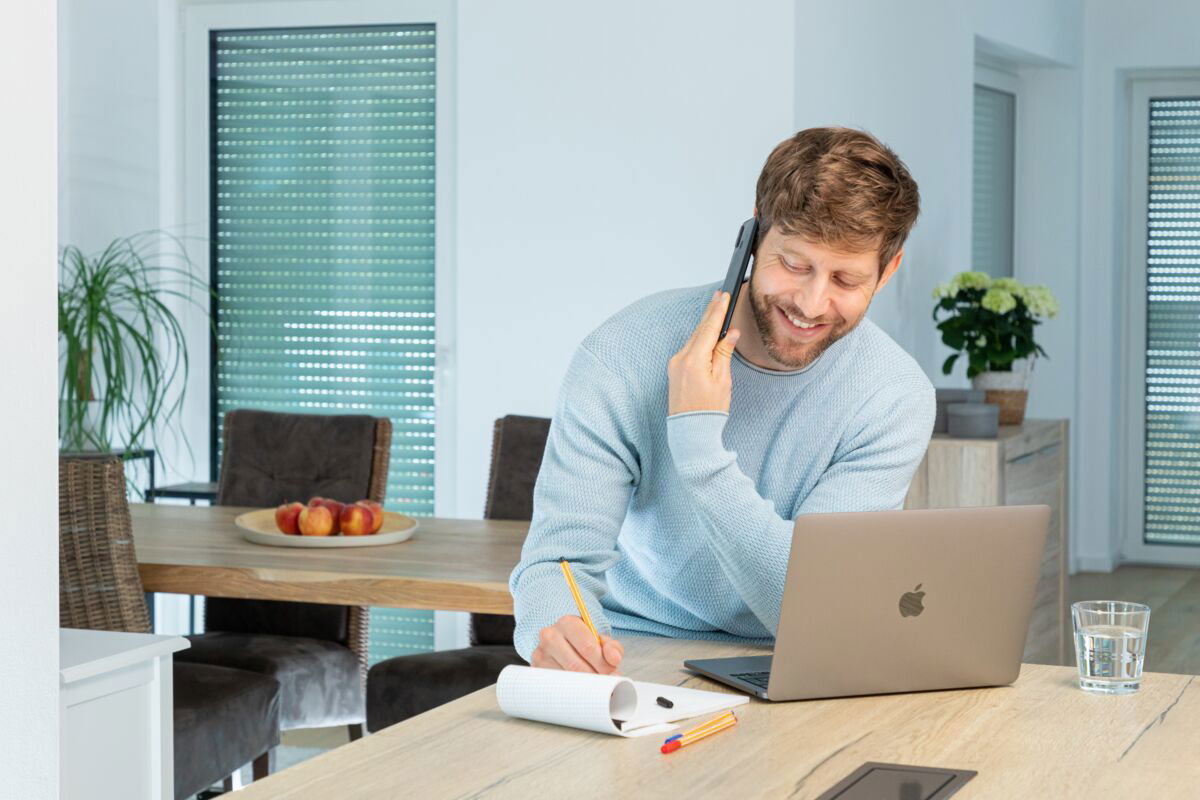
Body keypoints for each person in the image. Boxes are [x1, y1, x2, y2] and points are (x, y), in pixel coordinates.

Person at [509, 126, 935, 674]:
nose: (811, 303)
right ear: (753, 237)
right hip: (630, 648)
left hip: (791, 658)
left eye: (846, 279)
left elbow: (809, 609)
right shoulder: (621, 355)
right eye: (794, 264)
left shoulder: (894, 396)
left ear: (888, 271)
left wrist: (697, 439)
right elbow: (557, 560)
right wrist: (556, 629)